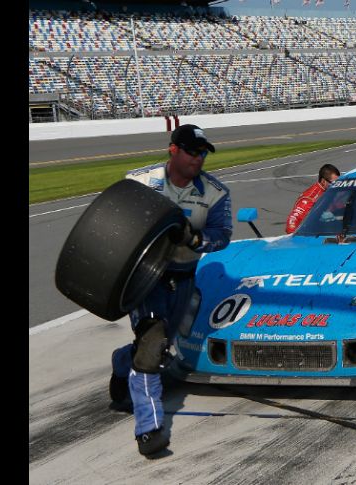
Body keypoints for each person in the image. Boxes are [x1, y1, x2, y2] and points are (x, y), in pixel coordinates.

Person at [109, 124, 232, 456]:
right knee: (152, 347)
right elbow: (112, 219)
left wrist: (195, 239)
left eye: (203, 152)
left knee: (165, 347)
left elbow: (223, 234)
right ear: (173, 150)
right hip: (145, 278)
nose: (198, 158)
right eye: (192, 151)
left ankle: (122, 362)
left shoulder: (215, 193)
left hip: (184, 277)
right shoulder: (139, 182)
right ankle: (149, 430)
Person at [285, 163, 340, 234]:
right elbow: (292, 222)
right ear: (323, 181)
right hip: (313, 236)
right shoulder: (310, 198)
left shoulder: (329, 192)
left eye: (338, 182)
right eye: (334, 183)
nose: (337, 185)